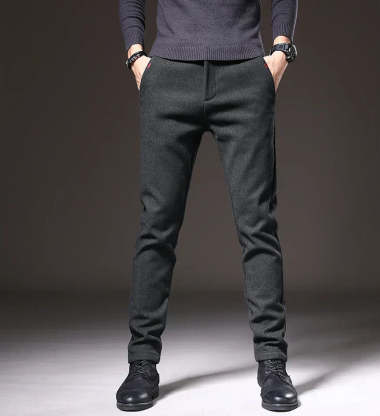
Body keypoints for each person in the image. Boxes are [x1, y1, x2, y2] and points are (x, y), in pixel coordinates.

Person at [116, 0, 299, 412]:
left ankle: (273, 362)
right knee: (156, 225)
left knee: (258, 224)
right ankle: (141, 362)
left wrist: (280, 51)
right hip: (168, 76)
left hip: (245, 76)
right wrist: (135, 55)